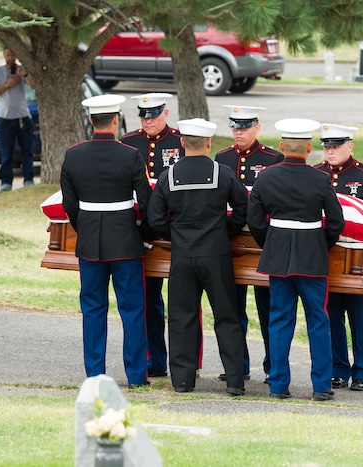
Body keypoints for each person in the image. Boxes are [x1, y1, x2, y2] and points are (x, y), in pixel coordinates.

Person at [148, 118, 249, 396]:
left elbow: (155, 217)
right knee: (227, 317)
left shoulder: (169, 176)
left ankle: (182, 381)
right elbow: (243, 206)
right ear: (208, 142)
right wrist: (226, 230)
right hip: (216, 255)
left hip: (182, 256)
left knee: (181, 318)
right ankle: (234, 380)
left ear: (181, 143)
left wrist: (175, 235)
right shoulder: (223, 172)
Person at [247, 118, 344, 401]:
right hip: (312, 257)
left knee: (279, 321)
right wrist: (319, 243)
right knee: (318, 321)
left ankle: (278, 385)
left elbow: (255, 220)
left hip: (278, 256)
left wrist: (272, 242)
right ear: (309, 148)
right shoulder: (320, 178)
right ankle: (322, 386)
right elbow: (335, 222)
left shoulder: (265, 177)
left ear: (281, 147)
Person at [60, 94, 152, 389]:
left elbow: (70, 205)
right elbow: (146, 201)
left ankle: (95, 375)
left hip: (89, 242)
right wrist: (141, 230)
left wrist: (84, 227)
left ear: (90, 121)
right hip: (125, 240)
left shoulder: (73, 155)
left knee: (93, 308)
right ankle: (137, 375)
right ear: (116, 120)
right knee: (133, 309)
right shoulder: (130, 155)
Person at [314, 123, 363, 392]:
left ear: (350, 146)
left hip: (357, 264)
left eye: (336, 146)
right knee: (331, 316)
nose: (330, 151)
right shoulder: (315, 174)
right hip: (327, 259)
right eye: (326, 146)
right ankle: (337, 369)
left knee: (360, 319)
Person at [215, 105, 284, 384]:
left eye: (244, 127)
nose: (238, 132)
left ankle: (273, 365)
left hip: (263, 242)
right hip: (231, 241)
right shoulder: (221, 158)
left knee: (268, 310)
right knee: (232, 309)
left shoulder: (273, 157)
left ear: (257, 127)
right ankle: (237, 365)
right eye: (235, 127)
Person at [120, 92, 183, 378]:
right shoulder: (129, 142)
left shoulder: (180, 141)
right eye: (144, 117)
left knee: (182, 301)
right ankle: (154, 359)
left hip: (175, 229)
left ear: (166, 113)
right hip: (140, 230)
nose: (148, 122)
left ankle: (185, 363)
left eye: (154, 116)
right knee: (147, 299)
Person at [0, 47, 35, 191]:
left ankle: (28, 179)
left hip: (22, 117)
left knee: (27, 151)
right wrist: (7, 85)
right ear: (4, 55)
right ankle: (6, 182)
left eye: (13, 54)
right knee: (6, 152)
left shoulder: (22, 69)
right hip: (6, 118)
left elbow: (34, 86)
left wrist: (25, 75)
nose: (10, 57)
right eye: (8, 55)